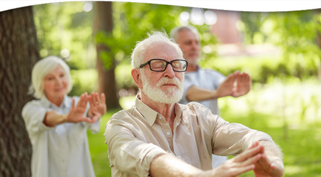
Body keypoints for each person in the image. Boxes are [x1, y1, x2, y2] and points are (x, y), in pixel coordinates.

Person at [104, 32, 284, 177]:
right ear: (137, 77)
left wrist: (271, 160)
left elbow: (249, 136)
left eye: (176, 64)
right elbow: (150, 158)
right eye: (158, 65)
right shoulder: (120, 125)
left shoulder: (199, 116)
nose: (170, 73)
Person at [171, 25, 252, 168]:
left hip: (216, 157)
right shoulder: (171, 78)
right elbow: (189, 92)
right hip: (185, 158)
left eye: (197, 42)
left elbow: (224, 84)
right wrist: (216, 93)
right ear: (174, 47)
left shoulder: (210, 75)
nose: (194, 47)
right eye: (188, 43)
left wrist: (235, 88)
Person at [22, 56, 107, 177]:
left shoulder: (79, 104)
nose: (59, 82)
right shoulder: (31, 109)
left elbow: (89, 117)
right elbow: (46, 118)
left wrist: (93, 114)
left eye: (62, 75)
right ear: (40, 82)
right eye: (50, 78)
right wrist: (67, 118)